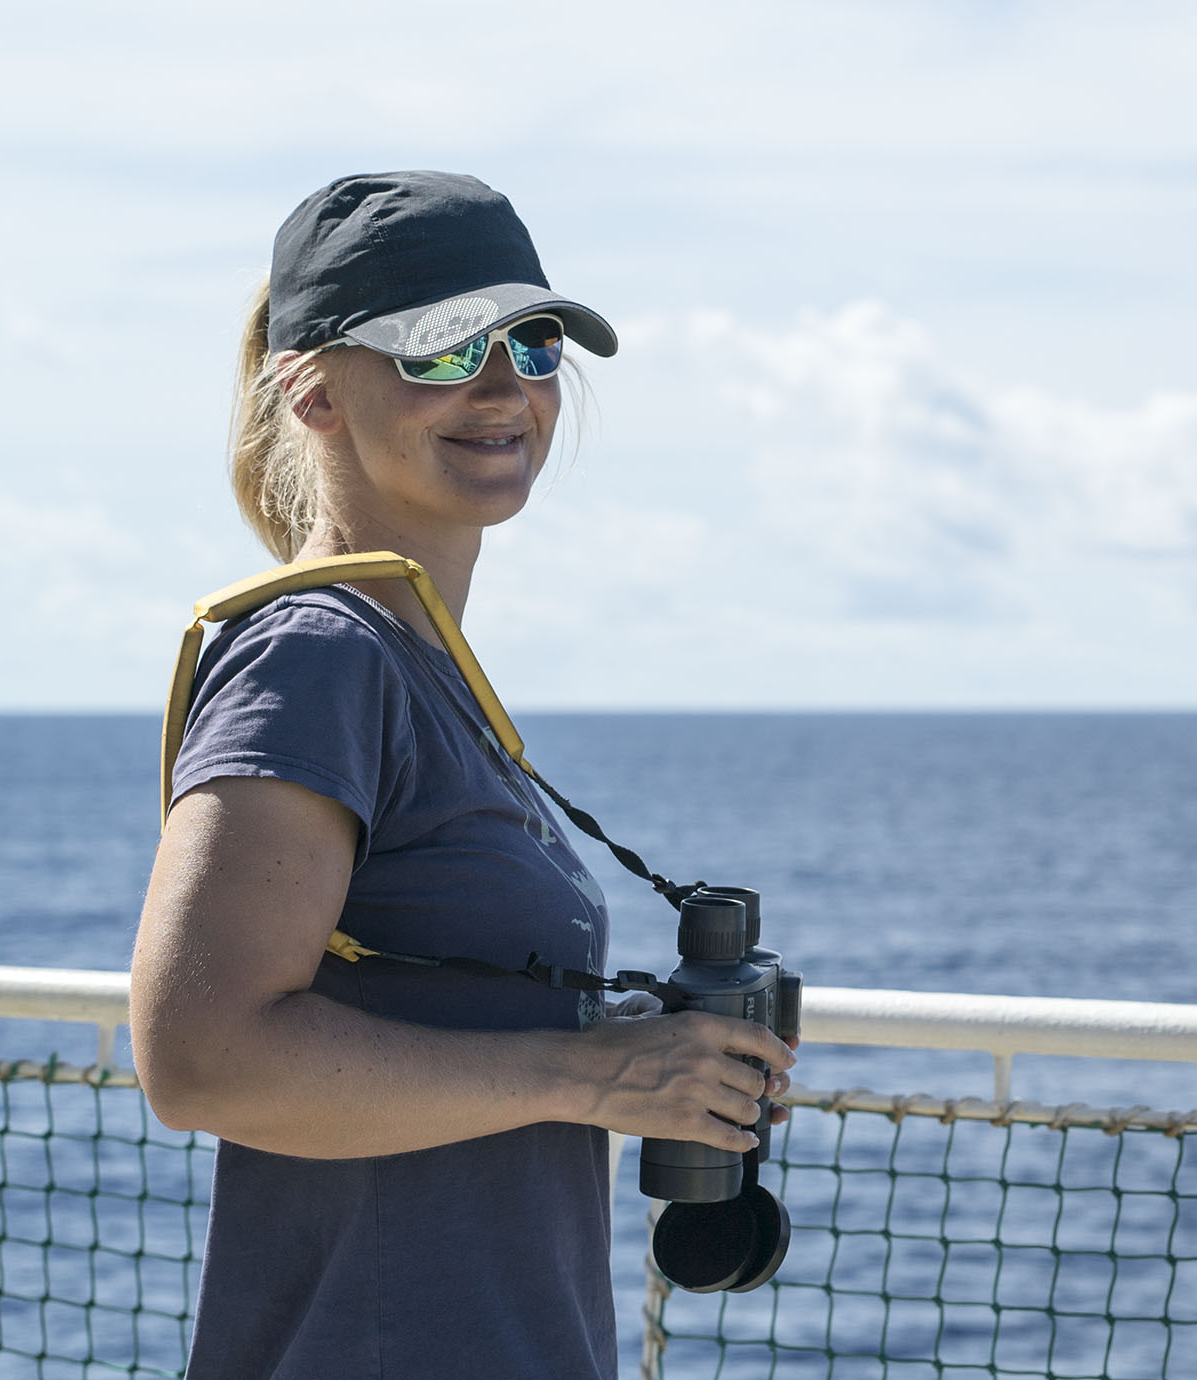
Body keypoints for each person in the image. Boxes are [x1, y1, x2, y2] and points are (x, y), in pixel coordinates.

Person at [129, 170, 796, 1380]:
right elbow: (200, 1057)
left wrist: (627, 1046)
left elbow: (419, 1013)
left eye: (533, 345)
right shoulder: (319, 655)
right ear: (313, 391)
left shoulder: (413, 663)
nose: (503, 388)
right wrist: (586, 1073)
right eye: (441, 353)